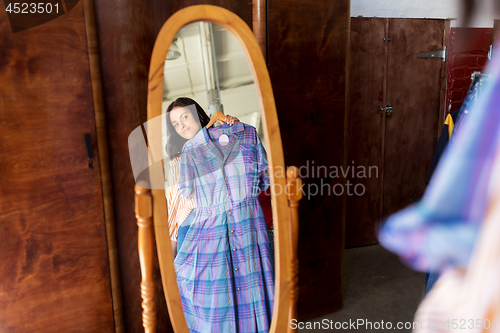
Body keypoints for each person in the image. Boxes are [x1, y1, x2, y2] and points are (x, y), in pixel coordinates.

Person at [164, 97, 238, 257]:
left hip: (224, 221)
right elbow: (175, 206)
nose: (181, 125)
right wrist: (171, 250)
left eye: (184, 116)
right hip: (191, 225)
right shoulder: (178, 159)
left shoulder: (221, 140)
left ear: (196, 114)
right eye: (175, 124)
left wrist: (234, 126)